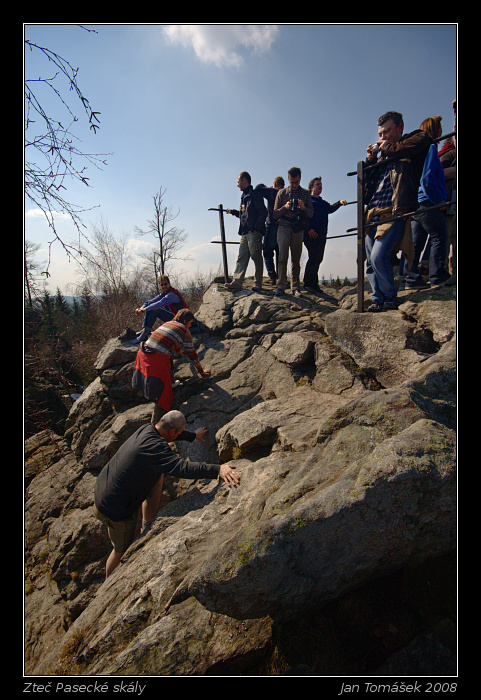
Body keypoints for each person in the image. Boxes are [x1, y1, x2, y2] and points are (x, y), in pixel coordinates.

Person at [93, 410, 240, 577]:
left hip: (102, 488)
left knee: (158, 474)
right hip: (112, 509)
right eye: (177, 432)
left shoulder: (147, 429)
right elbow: (181, 468)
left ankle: (146, 525)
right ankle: (108, 585)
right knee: (120, 549)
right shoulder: (155, 449)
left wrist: (192, 435)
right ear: (171, 431)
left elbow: (170, 433)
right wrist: (218, 469)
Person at [363, 111, 431, 311]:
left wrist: (389, 148)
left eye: (387, 132)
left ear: (399, 127)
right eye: (380, 134)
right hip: (373, 211)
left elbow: (425, 138)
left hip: (395, 210)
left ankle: (390, 295)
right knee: (369, 260)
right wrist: (370, 161)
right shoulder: (383, 155)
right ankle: (378, 298)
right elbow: (367, 188)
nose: (382, 138)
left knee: (378, 255)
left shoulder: (410, 142)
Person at [131, 308, 211, 425]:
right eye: (189, 323)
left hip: (143, 353)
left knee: (168, 357)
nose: (189, 326)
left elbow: (164, 339)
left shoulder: (168, 323)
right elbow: (192, 353)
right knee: (163, 394)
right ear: (184, 320)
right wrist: (201, 371)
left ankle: (171, 382)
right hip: (155, 359)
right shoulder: (184, 330)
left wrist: (178, 349)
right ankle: (156, 425)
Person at [404, 116, 451, 289]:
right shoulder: (431, 148)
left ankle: (410, 279)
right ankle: (438, 276)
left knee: (415, 244)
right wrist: (440, 200)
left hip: (417, 204)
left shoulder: (418, 152)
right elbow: (428, 179)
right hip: (429, 202)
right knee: (440, 236)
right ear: (435, 130)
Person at [273, 167, 314, 297]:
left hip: (298, 229)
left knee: (296, 260)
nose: (294, 185)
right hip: (284, 227)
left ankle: (295, 287)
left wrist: (303, 207)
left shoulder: (306, 193)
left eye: (296, 182)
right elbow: (274, 214)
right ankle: (281, 286)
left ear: (300, 178)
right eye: (292, 182)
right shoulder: (281, 193)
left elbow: (311, 214)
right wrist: (285, 207)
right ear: (288, 180)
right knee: (282, 258)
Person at [225, 171, 267, 292]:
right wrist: (233, 212)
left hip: (254, 232)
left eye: (238, 181)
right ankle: (237, 282)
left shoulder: (255, 195)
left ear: (244, 181)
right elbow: (245, 214)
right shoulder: (244, 196)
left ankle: (258, 282)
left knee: (255, 254)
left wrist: (256, 228)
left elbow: (263, 212)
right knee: (242, 256)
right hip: (245, 232)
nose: (237, 185)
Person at [303, 177, 347, 293]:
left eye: (321, 184)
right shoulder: (308, 201)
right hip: (311, 233)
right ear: (311, 187)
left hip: (322, 233)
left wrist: (339, 203)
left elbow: (330, 209)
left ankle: (313, 284)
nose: (320, 186)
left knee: (318, 258)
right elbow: (302, 215)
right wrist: (308, 229)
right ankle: (308, 283)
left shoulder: (322, 202)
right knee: (314, 257)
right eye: (317, 184)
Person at [130, 274, 188, 345]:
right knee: (151, 304)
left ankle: (146, 332)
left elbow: (160, 303)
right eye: (161, 285)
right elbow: (149, 302)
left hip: (180, 321)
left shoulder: (172, 295)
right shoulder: (164, 293)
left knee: (155, 309)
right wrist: (141, 308)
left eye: (165, 284)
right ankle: (146, 330)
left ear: (169, 284)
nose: (163, 286)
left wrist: (143, 310)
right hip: (174, 318)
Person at [255, 177, 285, 284]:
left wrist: (267, 188)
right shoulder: (287, 193)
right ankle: (281, 278)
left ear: (275, 184)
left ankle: (272, 277)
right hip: (284, 228)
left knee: (267, 252)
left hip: (272, 226)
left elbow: (257, 189)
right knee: (280, 254)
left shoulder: (272, 192)